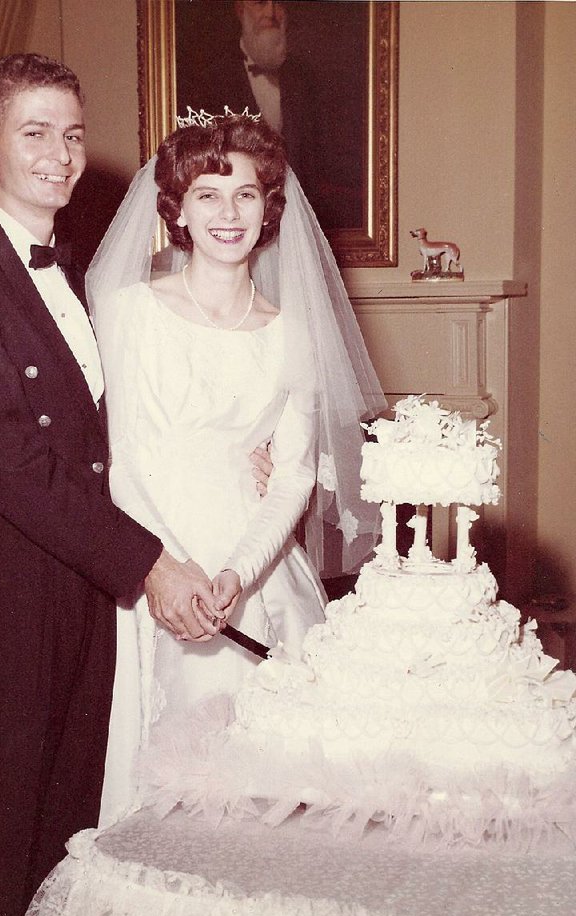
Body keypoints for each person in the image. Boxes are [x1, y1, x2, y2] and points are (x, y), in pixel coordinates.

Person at [0, 53, 240, 916]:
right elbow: (6, 459)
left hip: (83, 584)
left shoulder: (86, 276)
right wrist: (148, 566)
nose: (59, 154)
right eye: (34, 132)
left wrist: (234, 451)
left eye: (73, 135)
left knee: (63, 823)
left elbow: (125, 431)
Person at [84, 114, 385, 829]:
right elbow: (120, 459)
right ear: (177, 209)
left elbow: (291, 475)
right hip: (151, 554)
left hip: (252, 566)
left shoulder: (293, 332)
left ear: (269, 209)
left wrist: (237, 574)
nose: (228, 213)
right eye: (208, 194)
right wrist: (172, 569)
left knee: (279, 794)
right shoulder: (129, 313)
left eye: (246, 195)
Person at [177, 0, 364, 231]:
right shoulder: (211, 81)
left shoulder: (303, 81)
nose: (271, 13)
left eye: (279, 4)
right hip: (234, 225)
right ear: (240, 9)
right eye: (260, 2)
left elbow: (319, 165)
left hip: (294, 226)